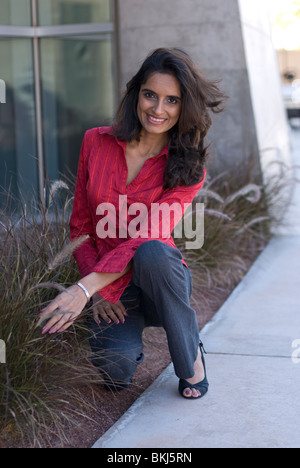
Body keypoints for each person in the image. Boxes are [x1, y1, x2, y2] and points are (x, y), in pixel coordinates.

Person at [39, 48, 225, 399]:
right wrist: (98, 292)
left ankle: (190, 354)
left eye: (172, 100)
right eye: (150, 95)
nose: (158, 109)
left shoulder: (188, 168)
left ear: (184, 108)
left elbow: (147, 236)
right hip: (114, 289)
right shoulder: (95, 142)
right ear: (136, 93)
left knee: (153, 251)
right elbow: (80, 227)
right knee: (115, 373)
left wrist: (85, 288)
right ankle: (125, 349)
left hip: (160, 279)